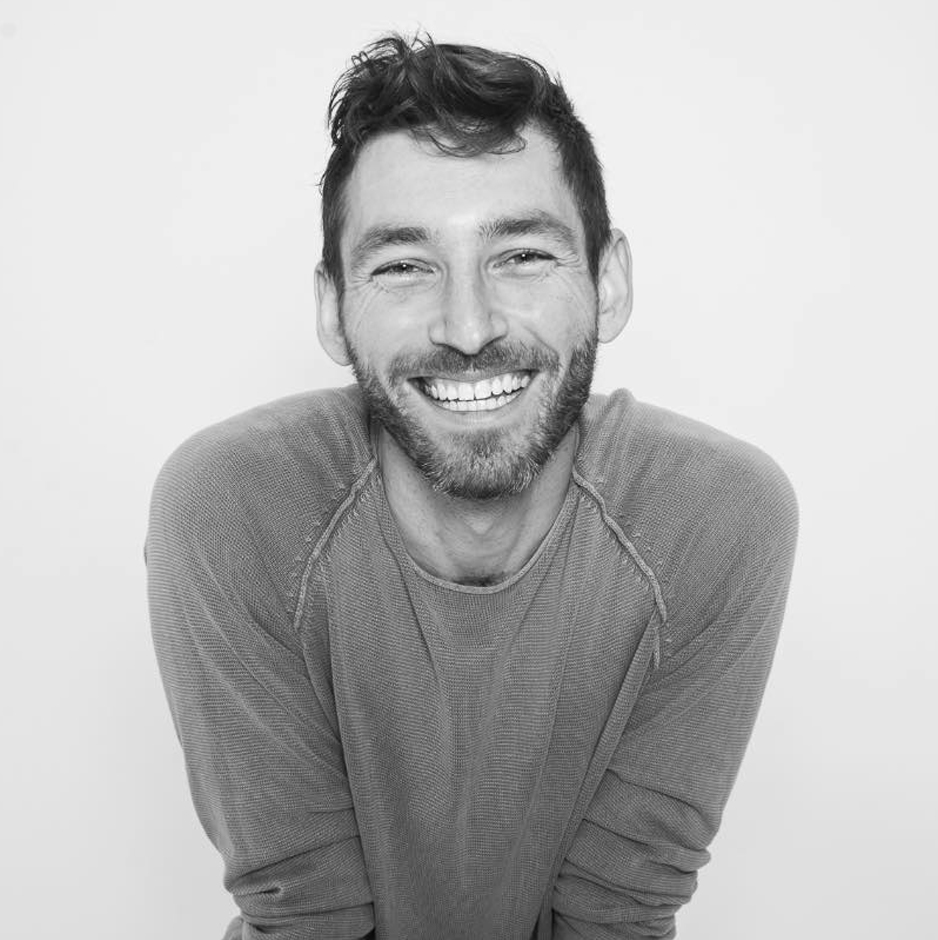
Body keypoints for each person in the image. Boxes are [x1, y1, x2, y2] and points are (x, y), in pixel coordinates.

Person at [147, 33, 798, 940]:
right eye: (403, 266)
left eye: (522, 255)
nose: (467, 326)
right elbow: (306, 918)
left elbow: (617, 914)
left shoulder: (717, 520)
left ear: (608, 282)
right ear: (333, 309)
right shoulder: (231, 511)